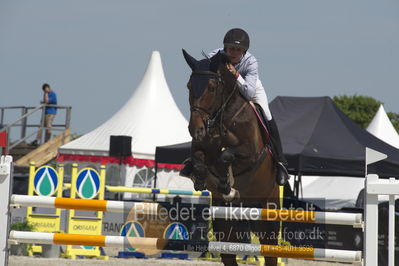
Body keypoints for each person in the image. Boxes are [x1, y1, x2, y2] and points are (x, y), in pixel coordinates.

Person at [181, 28, 289, 186]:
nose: (234, 53)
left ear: (244, 51)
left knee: (266, 114)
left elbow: (249, 92)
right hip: (225, 92)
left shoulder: (251, 62)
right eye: (231, 48)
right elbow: (204, 75)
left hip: (248, 87)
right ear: (225, 48)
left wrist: (236, 75)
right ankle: (195, 160)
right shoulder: (215, 56)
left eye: (238, 50)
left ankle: (280, 162)